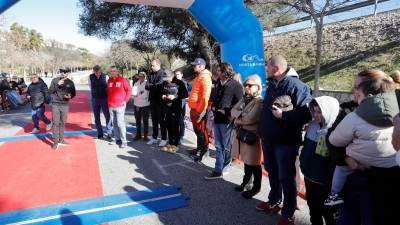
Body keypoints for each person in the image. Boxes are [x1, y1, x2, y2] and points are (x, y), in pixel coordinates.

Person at [329, 73, 399, 225]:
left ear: (370, 94)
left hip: (373, 182)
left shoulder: (354, 116)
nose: (353, 91)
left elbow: (334, 140)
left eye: (357, 89)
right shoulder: (347, 110)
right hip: (363, 177)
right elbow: (332, 144)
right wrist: (346, 160)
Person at [258, 55, 312, 225]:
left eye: (267, 67)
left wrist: (284, 116)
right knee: (272, 172)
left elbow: (306, 112)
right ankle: (274, 200)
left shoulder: (298, 86)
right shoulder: (273, 84)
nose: (265, 69)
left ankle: (288, 212)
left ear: (276, 69)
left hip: (285, 142)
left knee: (286, 177)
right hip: (269, 139)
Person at [299, 96, 340, 225]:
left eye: (320, 112)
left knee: (328, 212)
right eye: (315, 111)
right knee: (312, 206)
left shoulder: (336, 131)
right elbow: (306, 145)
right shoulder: (312, 126)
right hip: (309, 175)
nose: (316, 115)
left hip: (325, 181)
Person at [205, 62, 243, 179]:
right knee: (218, 145)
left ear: (225, 71)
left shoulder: (235, 85)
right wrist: (212, 108)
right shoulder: (217, 83)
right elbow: (215, 98)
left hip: (227, 120)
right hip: (217, 118)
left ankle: (225, 166)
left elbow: (241, 103)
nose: (217, 72)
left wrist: (227, 112)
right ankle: (218, 169)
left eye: (219, 70)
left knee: (226, 145)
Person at [231, 75, 263, 199]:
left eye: (250, 85)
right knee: (246, 161)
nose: (247, 87)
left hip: (252, 136)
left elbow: (250, 119)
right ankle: (245, 183)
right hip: (243, 134)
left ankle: (256, 187)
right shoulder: (245, 99)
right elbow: (233, 111)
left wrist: (237, 118)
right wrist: (240, 116)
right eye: (245, 85)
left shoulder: (259, 101)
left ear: (258, 87)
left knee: (254, 163)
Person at [188, 58, 212, 162]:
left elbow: (205, 96)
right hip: (194, 109)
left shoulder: (205, 77)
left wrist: (200, 111)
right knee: (197, 131)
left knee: (202, 132)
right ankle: (199, 149)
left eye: (195, 65)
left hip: (199, 110)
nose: (194, 66)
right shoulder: (199, 76)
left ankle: (204, 152)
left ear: (201, 66)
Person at [160, 70, 189, 153]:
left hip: (176, 107)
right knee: (168, 125)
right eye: (165, 78)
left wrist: (175, 96)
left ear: (172, 76)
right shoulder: (164, 83)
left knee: (175, 126)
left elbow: (186, 94)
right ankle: (170, 142)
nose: (166, 80)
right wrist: (163, 96)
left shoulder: (179, 83)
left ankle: (175, 144)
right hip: (166, 107)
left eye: (167, 78)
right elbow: (161, 92)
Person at [49, 67, 76, 150]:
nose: (62, 73)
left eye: (64, 72)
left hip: (65, 105)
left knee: (63, 123)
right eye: (61, 72)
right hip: (55, 104)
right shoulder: (55, 80)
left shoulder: (70, 82)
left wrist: (69, 96)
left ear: (68, 73)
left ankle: (61, 139)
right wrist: (58, 85)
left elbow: (74, 93)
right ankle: (55, 142)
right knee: (55, 123)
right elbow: (50, 91)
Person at [107, 66, 132, 149]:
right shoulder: (109, 80)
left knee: (120, 124)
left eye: (114, 71)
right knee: (114, 124)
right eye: (111, 71)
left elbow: (129, 90)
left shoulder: (123, 80)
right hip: (111, 106)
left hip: (120, 106)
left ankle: (124, 141)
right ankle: (117, 139)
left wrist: (125, 101)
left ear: (117, 71)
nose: (113, 72)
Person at [145, 59, 168, 147]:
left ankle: (163, 138)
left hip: (160, 101)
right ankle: (154, 138)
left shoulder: (162, 73)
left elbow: (160, 86)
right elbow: (146, 86)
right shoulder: (150, 74)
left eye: (153, 65)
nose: (151, 67)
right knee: (154, 120)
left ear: (158, 65)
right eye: (151, 65)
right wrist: (153, 86)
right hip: (152, 100)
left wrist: (152, 86)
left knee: (161, 121)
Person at [89, 65, 112, 140]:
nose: (97, 74)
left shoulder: (106, 76)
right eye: (95, 73)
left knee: (107, 116)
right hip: (95, 99)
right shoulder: (90, 77)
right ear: (94, 71)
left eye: (98, 72)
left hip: (104, 98)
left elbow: (108, 87)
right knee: (96, 117)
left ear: (100, 71)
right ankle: (100, 133)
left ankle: (109, 132)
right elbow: (90, 86)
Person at [132, 71, 150, 141]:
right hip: (136, 105)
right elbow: (132, 92)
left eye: (142, 76)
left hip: (145, 105)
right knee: (137, 121)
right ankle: (138, 134)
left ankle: (145, 135)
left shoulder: (147, 84)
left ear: (145, 77)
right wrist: (137, 94)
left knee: (145, 121)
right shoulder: (136, 83)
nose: (140, 77)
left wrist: (137, 94)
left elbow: (145, 95)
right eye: (139, 76)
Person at [174, 69, 189, 144]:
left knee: (180, 121)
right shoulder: (173, 82)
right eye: (176, 74)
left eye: (178, 74)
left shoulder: (184, 83)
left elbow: (185, 95)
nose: (177, 76)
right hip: (174, 104)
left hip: (181, 104)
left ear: (182, 75)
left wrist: (176, 96)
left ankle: (181, 136)